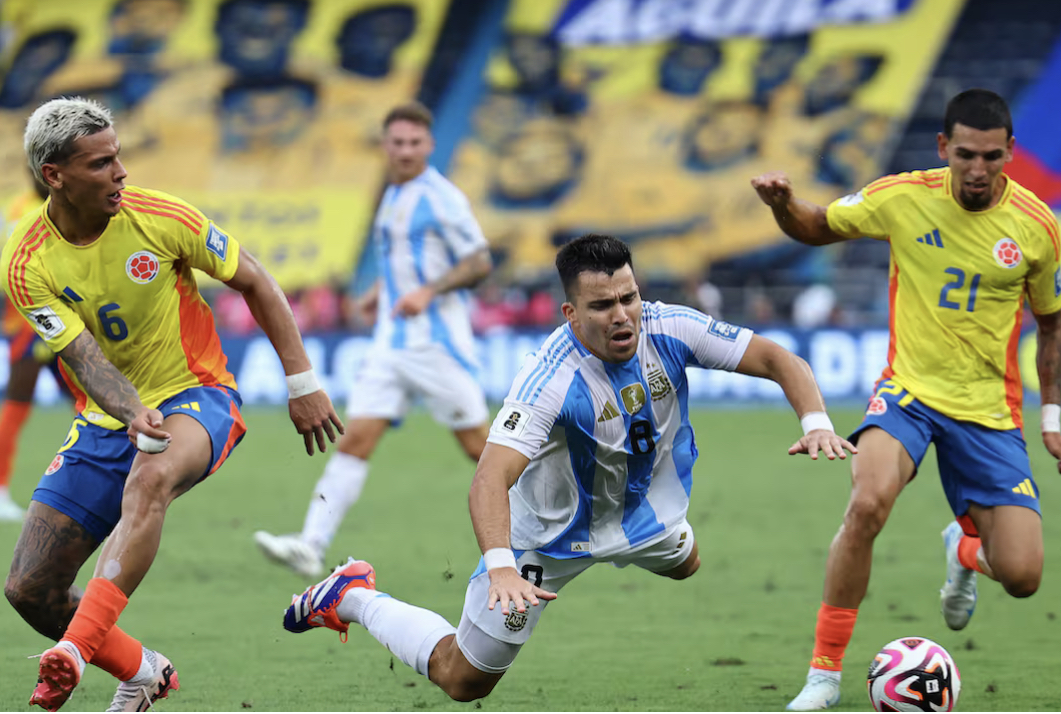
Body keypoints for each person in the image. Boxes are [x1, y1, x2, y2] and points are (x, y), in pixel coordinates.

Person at [276, 233, 856, 702]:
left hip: (642, 516)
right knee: (463, 680)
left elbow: (777, 358)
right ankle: (353, 595)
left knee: (687, 564)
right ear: (571, 313)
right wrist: (503, 568)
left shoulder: (670, 326)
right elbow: (489, 477)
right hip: (546, 541)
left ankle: (655, 539)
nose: (623, 315)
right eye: (603, 306)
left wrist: (816, 422)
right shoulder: (549, 378)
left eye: (628, 297)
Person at [1, 96, 343, 712]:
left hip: (199, 393)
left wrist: (302, 383)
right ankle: (142, 671)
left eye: (118, 156)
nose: (121, 173)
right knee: (30, 588)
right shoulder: (27, 261)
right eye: (101, 163)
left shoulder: (160, 217)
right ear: (55, 176)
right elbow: (82, 356)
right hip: (107, 417)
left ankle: (74, 650)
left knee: (151, 475)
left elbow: (254, 279)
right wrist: (130, 411)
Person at [750, 88, 1061, 711]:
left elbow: (1052, 324)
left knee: (1022, 576)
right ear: (943, 147)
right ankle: (823, 675)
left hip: (989, 412)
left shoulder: (1035, 225)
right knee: (867, 503)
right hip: (909, 392)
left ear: (1010, 151)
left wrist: (1051, 419)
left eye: (991, 156)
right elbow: (818, 226)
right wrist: (784, 205)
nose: (977, 169)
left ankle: (962, 548)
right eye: (965, 154)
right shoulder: (903, 196)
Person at [254, 101, 494, 577]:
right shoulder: (393, 193)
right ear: (385, 145)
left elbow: (479, 261)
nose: (405, 151)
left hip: (436, 345)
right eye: (397, 142)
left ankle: (559, 511)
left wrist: (428, 292)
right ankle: (310, 545)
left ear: (429, 145)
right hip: (390, 345)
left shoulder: (441, 198)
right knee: (354, 441)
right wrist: (381, 292)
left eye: (414, 143)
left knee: (480, 448)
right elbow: (410, 259)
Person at [0, 179, 58, 522]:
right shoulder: (23, 209)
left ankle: (100, 486)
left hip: (69, 320)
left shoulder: (67, 204)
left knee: (92, 405)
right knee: (17, 403)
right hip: (29, 323)